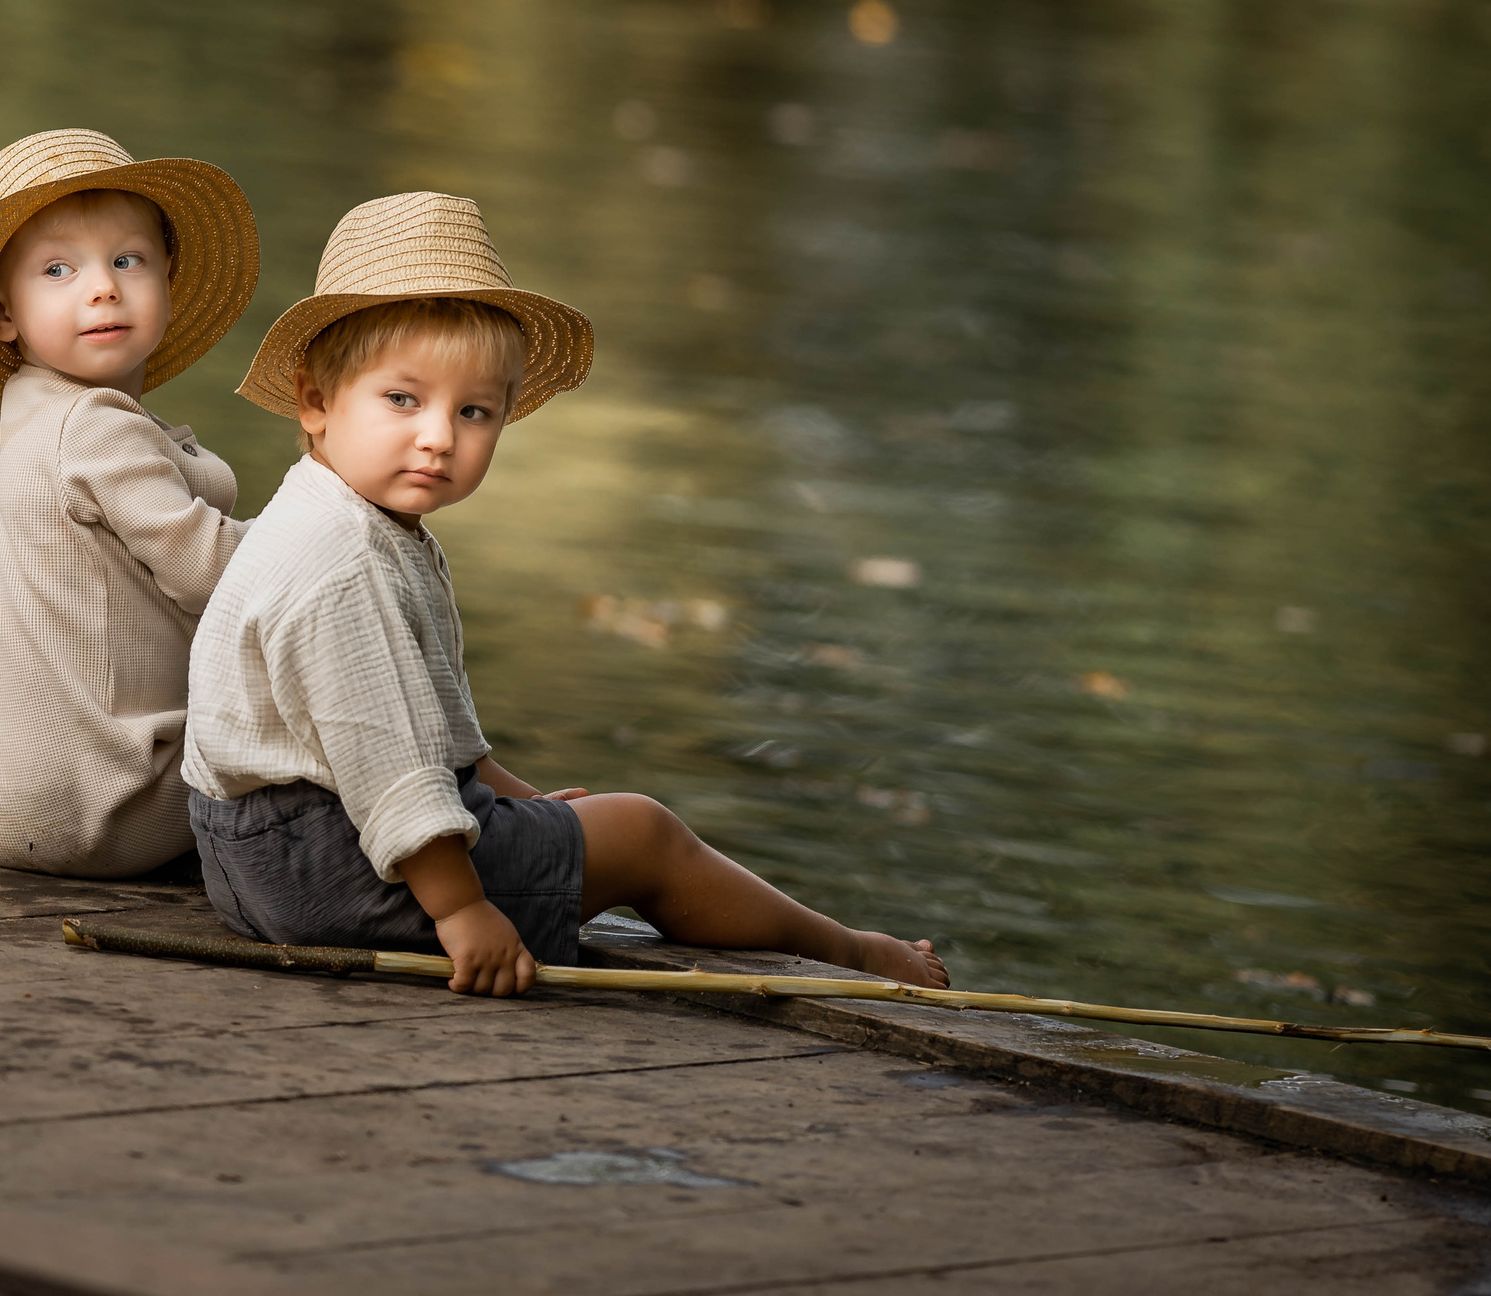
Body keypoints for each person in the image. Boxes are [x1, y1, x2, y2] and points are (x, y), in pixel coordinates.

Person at [183, 192, 950, 995]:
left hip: (251, 858)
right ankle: (858, 954)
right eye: (403, 399)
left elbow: (431, 728)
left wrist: (520, 805)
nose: (439, 435)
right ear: (315, 401)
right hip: (335, 868)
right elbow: (390, 766)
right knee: (644, 834)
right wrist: (464, 912)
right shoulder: (341, 560)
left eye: (474, 410)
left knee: (584, 820)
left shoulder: (343, 515)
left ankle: (556, 853)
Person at [0, 129, 259, 877]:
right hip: (98, 810)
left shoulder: (33, 417)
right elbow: (216, 575)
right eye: (58, 268)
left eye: (127, 259)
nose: (102, 285)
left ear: (167, 278)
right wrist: (319, 528)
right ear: (4, 315)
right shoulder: (94, 426)